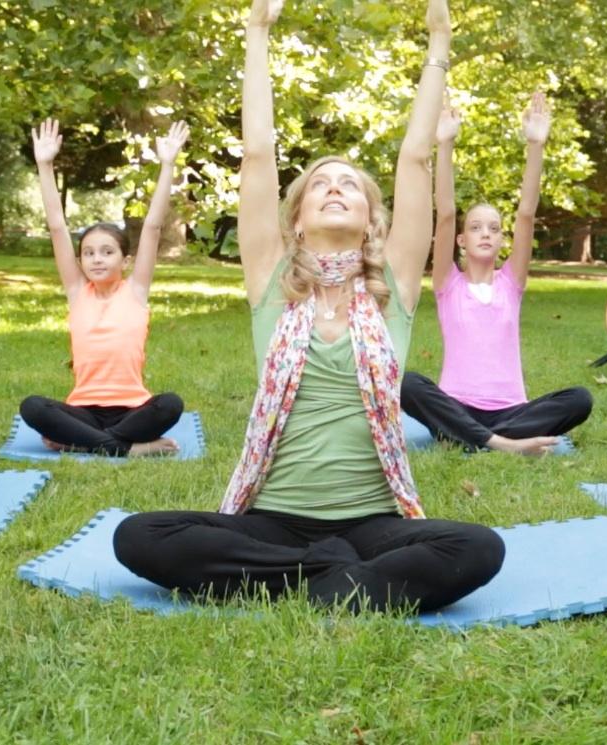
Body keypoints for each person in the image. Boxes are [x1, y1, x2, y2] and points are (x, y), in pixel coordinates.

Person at [113, 0, 505, 613]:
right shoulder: (273, 284)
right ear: (294, 219)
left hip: (371, 521)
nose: (334, 189)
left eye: (349, 183)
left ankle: (301, 581)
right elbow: (258, 154)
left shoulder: (392, 293)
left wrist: (437, 49)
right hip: (275, 519)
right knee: (138, 536)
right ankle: (332, 577)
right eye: (320, 183)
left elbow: (416, 158)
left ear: (374, 218)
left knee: (479, 547)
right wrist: (257, 30)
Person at [401, 92, 592, 456]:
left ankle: (478, 439)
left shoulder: (511, 283)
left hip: (511, 411)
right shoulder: (447, 283)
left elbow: (526, 214)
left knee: (579, 399)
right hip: (456, 406)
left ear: (502, 238)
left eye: (493, 227)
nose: (486, 233)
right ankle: (501, 444)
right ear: (460, 239)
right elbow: (444, 212)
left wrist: (536, 146)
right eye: (475, 227)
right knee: (408, 384)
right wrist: (445, 144)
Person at [17, 119, 187, 457]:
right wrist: (45, 165)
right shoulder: (78, 292)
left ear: (125, 260)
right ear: (80, 260)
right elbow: (56, 227)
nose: (97, 259)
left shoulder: (136, 290)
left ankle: (82, 442)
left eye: (107, 252)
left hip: (133, 409)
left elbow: (152, 227)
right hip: (82, 410)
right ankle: (128, 449)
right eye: (89, 253)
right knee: (32, 407)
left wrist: (168, 165)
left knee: (170, 404)